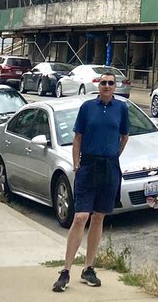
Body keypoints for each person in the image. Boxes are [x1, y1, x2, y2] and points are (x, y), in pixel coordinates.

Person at [53, 70, 129, 292]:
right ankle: (66, 270)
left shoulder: (121, 108)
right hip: (87, 166)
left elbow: (124, 137)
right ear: (98, 85)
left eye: (111, 83)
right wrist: (77, 164)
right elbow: (77, 137)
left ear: (115, 87)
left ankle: (88, 268)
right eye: (104, 82)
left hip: (109, 168)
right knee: (80, 217)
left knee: (98, 217)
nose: (107, 86)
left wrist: (113, 156)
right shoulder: (87, 108)